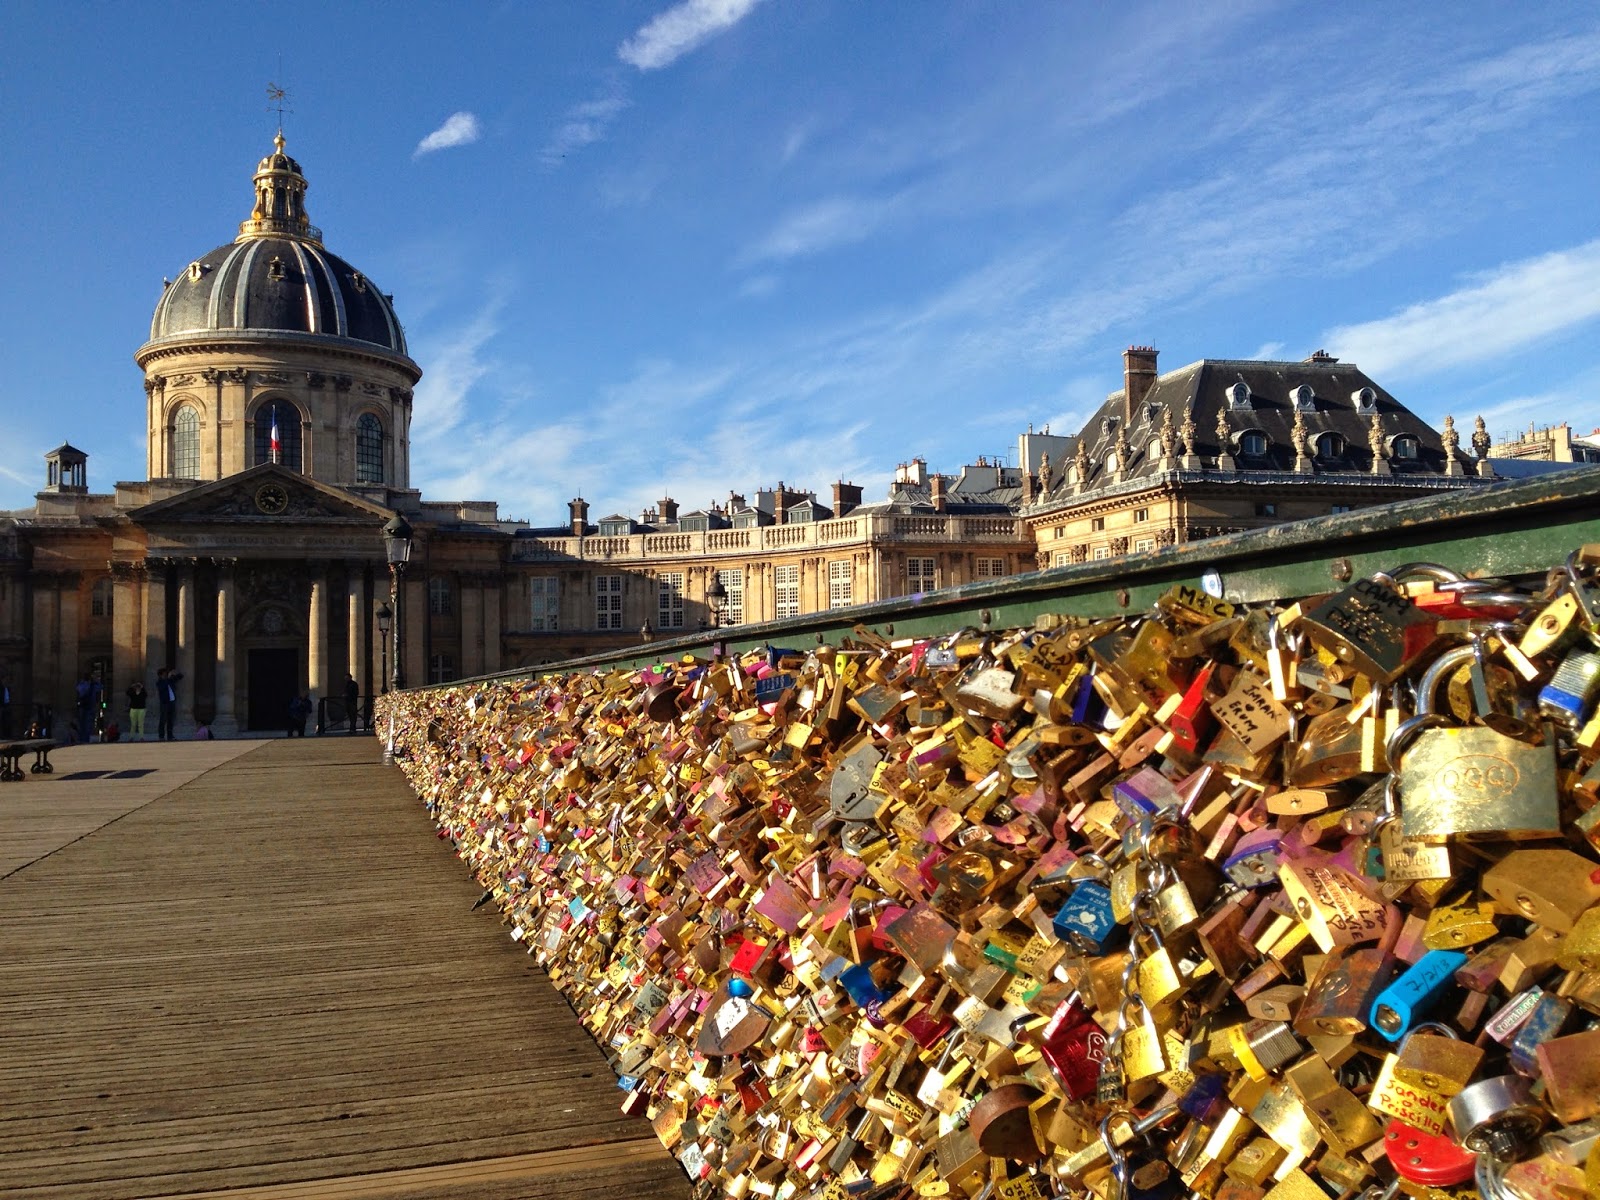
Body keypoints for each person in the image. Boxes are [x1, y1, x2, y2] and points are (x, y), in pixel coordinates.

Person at [156, 667, 183, 741]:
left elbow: (180, 677)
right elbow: (163, 687)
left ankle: (170, 736)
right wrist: (168, 678)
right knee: (163, 720)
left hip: (171, 702)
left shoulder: (169, 681)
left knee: (171, 720)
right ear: (160, 675)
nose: (166, 675)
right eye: (164, 674)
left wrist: (176, 673)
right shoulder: (159, 682)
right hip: (165, 703)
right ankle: (161, 736)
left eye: (166, 673)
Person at [75, 674, 96, 742]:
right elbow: (101, 687)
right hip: (89, 706)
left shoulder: (82, 685)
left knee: (83, 723)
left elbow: (78, 689)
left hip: (84, 705)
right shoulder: (91, 685)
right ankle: (85, 739)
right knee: (87, 723)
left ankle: (82, 739)